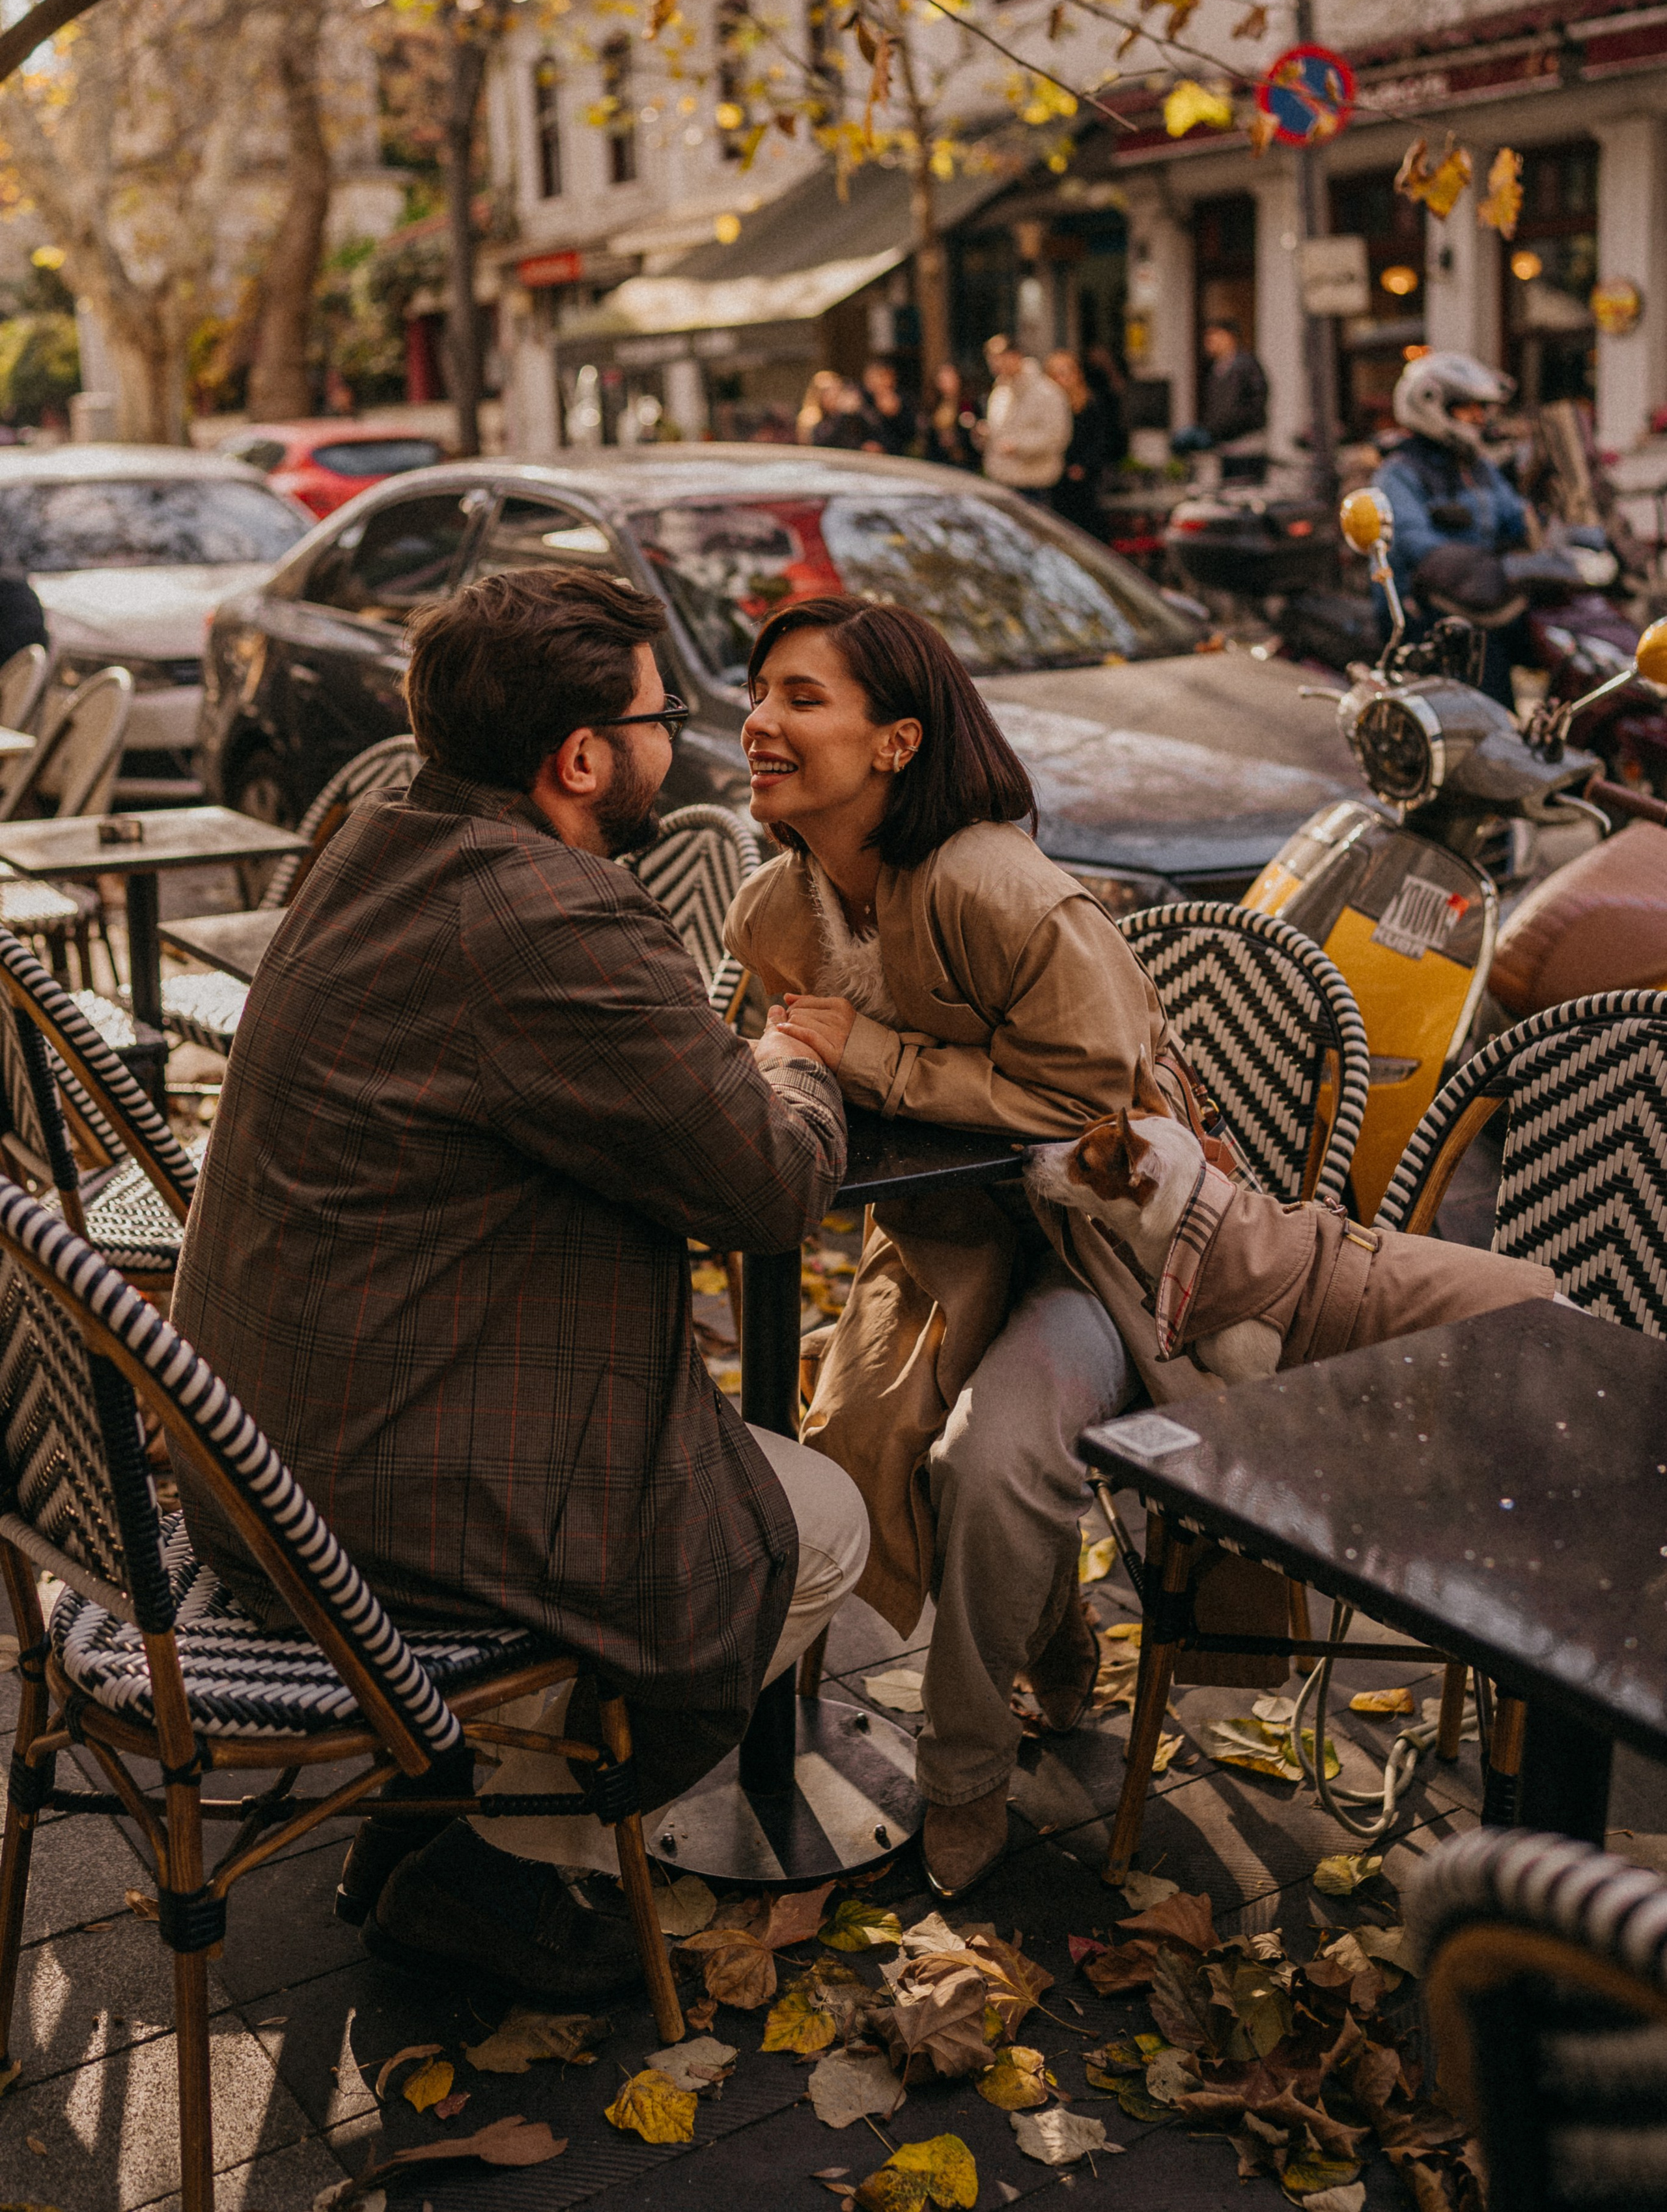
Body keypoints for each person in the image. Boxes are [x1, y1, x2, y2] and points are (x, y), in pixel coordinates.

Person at [723, 596, 1553, 1896]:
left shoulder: (998, 887)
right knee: (857, 1435)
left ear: (895, 742)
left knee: (989, 1457)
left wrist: (869, 1055)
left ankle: (963, 1774)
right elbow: (766, 1048)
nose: (759, 721)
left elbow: (1089, 1109)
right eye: (758, 689)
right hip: (942, 1244)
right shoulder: (776, 906)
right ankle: (1053, 1655)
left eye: (799, 697)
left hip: (1101, 1250)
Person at [169, 565, 867, 2002]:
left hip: (242, 1452)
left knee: (720, 1474)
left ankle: (439, 1804)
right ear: (581, 759)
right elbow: (768, 1188)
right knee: (819, 1524)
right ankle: (497, 1861)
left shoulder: (374, 839)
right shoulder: (548, 915)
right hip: (354, 1508)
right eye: (664, 714)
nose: (686, 736)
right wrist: (803, 1059)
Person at [1376, 351, 1527, 707]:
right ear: (1431, 405)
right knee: (1487, 687)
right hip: (1424, 609)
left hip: (1483, 598)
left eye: (1482, 408)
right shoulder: (1399, 471)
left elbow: (1515, 515)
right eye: (1467, 407)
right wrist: (1476, 562)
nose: (1479, 417)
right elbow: (1416, 543)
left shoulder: (1479, 467)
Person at [1173, 316, 1270, 474]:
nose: (1209, 341)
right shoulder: (1216, 369)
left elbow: (1254, 405)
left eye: (1213, 335)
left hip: (1246, 447)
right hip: (1226, 447)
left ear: (1228, 337)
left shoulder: (1246, 366)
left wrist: (1217, 429)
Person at [980, 335, 1071, 501]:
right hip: (1001, 481)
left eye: (1001, 358)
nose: (996, 365)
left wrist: (1018, 446)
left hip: (1033, 486)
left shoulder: (1047, 392)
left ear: (1016, 356)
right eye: (992, 360)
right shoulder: (1000, 392)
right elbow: (998, 433)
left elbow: (1056, 437)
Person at [1045, 350, 1110, 537]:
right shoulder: (1049, 405)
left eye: (1066, 372)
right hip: (1055, 474)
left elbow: (1100, 439)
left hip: (1081, 476)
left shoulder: (1089, 403)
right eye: (1055, 374)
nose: (1061, 379)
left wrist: (1084, 465)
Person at [921, 362, 977, 468]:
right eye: (943, 380)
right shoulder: (934, 404)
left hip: (961, 462)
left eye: (950, 379)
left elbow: (971, 429)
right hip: (938, 460)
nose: (947, 383)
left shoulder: (967, 404)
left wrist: (957, 440)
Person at [860, 359, 915, 457]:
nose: (873, 381)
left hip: (894, 458)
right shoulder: (864, 400)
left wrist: (896, 413)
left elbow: (909, 436)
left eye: (879, 377)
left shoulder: (903, 401)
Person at [796, 369, 841, 444]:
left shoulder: (842, 416)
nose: (834, 396)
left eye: (837, 391)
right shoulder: (810, 418)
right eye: (830, 392)